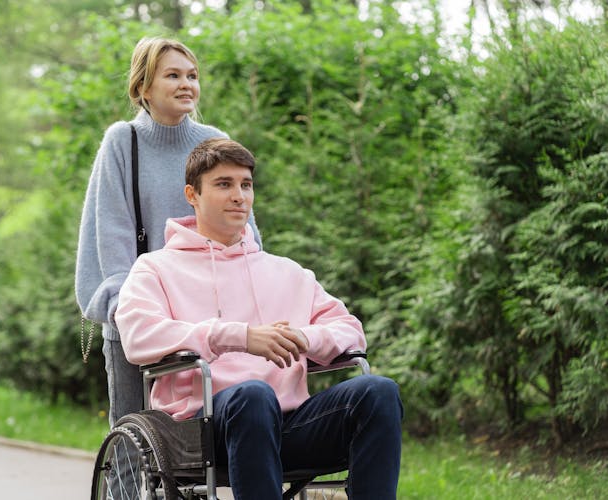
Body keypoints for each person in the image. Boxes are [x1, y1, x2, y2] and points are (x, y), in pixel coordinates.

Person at [115, 138, 404, 499]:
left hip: (290, 425)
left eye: (246, 185)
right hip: (203, 430)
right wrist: (239, 336)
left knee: (379, 392)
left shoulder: (288, 272)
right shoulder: (155, 268)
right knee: (253, 395)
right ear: (193, 194)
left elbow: (350, 330)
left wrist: (303, 338)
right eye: (224, 184)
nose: (239, 196)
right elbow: (139, 335)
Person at [75, 37, 262, 427]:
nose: (186, 85)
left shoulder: (213, 140)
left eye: (192, 76)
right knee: (134, 434)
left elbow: (243, 228)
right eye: (172, 75)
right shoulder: (122, 142)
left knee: (208, 442)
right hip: (141, 318)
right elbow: (111, 233)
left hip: (207, 318)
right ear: (143, 88)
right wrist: (127, 312)